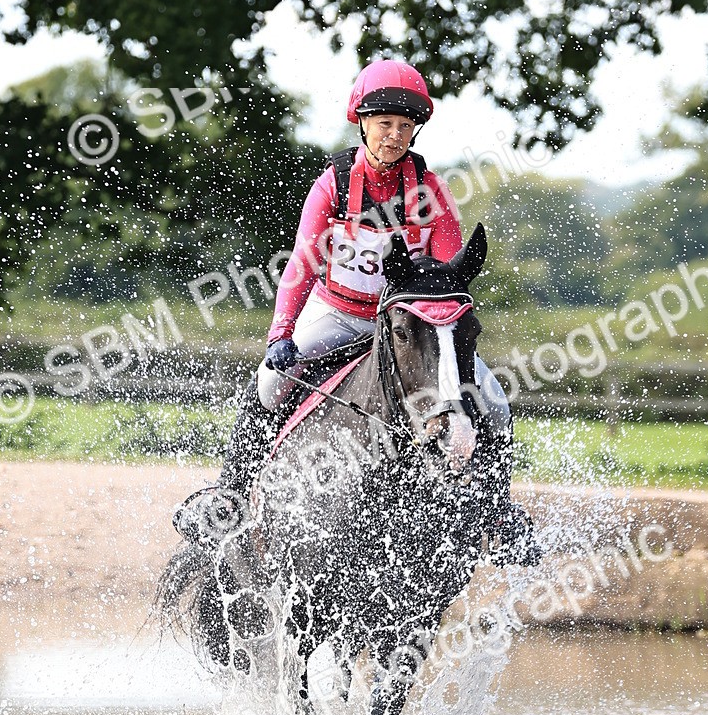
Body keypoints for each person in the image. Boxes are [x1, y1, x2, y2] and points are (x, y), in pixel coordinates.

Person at [174, 59, 510, 544]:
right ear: (362, 123)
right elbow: (302, 264)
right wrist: (281, 333)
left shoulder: (431, 191)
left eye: (405, 126)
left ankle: (495, 512)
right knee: (270, 383)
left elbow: (444, 276)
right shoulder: (333, 183)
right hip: (338, 313)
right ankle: (230, 497)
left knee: (494, 399)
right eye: (385, 124)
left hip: (408, 326)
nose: (395, 136)